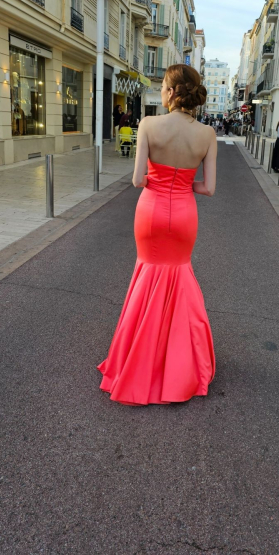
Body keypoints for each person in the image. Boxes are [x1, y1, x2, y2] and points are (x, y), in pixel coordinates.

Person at [98, 64, 216, 405]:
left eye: (164, 87)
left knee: (147, 275)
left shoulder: (148, 124)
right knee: (180, 276)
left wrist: (161, 181)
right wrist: (181, 185)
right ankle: (182, 365)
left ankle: (136, 358)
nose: (163, 92)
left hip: (150, 212)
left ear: (172, 92)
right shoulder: (207, 134)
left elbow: (137, 180)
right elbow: (208, 188)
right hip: (183, 213)